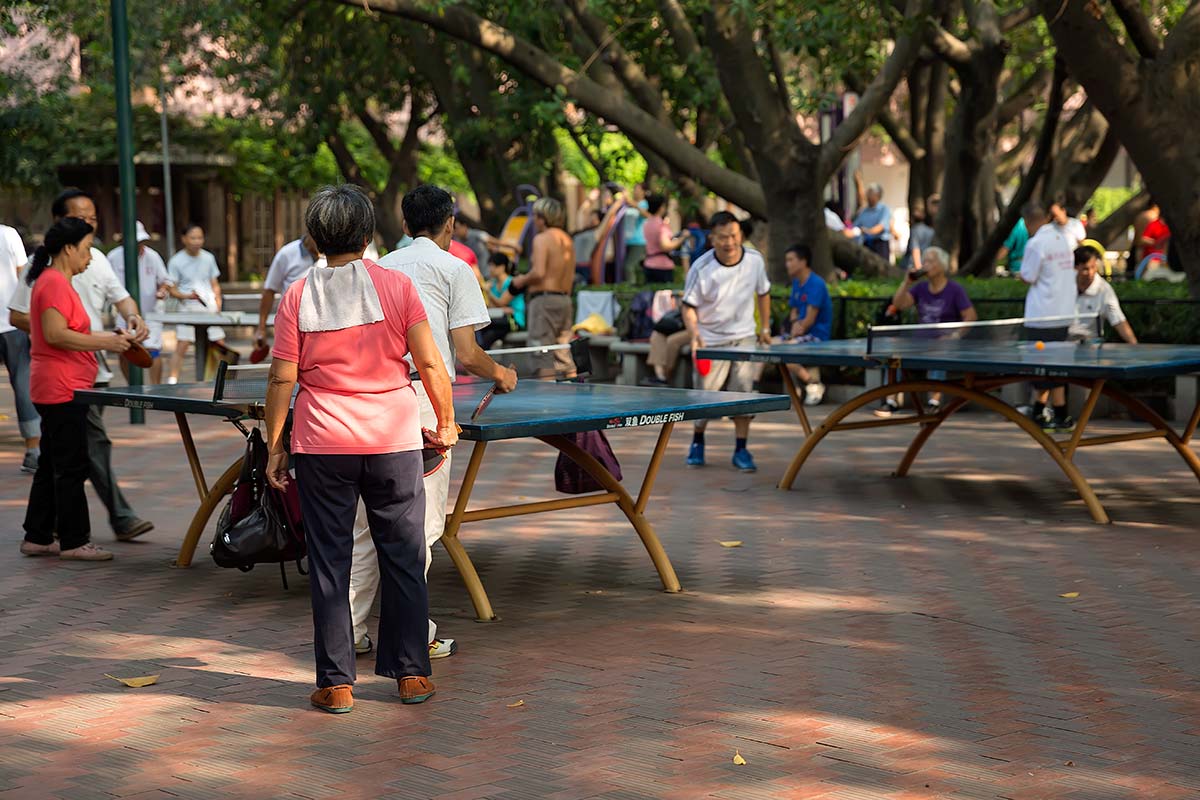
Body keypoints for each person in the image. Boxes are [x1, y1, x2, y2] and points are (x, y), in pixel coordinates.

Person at [264, 184, 458, 713]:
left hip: (323, 442)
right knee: (404, 553)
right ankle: (412, 674)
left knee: (331, 561)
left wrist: (274, 446)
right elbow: (432, 363)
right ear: (370, 234)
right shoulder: (396, 286)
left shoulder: (298, 295)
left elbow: (282, 379)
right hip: (393, 438)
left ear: (313, 239)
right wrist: (445, 421)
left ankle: (335, 683)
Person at [348, 184, 517, 662]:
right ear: (451, 225)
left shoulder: (375, 268)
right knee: (420, 527)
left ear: (403, 226)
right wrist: (501, 372)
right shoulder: (454, 269)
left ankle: (353, 631)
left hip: (371, 401)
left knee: (366, 525)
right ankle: (412, 635)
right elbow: (465, 354)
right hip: (424, 406)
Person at [9, 188, 155, 541]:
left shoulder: (88, 265)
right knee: (83, 453)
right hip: (64, 381)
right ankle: (106, 523)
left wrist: (132, 318)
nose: (90, 223)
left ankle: (40, 531)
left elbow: (121, 298)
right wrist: (99, 339)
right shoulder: (47, 275)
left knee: (57, 457)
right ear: (65, 233)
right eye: (82, 219)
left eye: (93, 217)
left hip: (88, 373)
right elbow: (41, 327)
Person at [682, 212, 771, 472]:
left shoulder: (755, 261)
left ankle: (741, 449)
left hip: (744, 339)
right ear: (712, 239)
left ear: (740, 235)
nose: (729, 242)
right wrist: (695, 334)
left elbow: (764, 293)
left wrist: (765, 327)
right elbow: (688, 306)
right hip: (710, 342)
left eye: (733, 235)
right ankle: (697, 442)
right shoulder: (701, 267)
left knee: (743, 396)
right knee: (705, 399)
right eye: (722, 237)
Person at [877, 246, 977, 414]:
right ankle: (891, 401)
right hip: (918, 343)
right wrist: (906, 283)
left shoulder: (955, 290)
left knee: (939, 353)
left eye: (930, 261)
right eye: (924, 261)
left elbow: (971, 317)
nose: (926, 265)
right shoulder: (920, 288)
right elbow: (899, 304)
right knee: (893, 356)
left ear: (942, 265)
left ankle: (934, 402)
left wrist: (954, 336)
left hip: (942, 344)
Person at [108, 221, 192, 384]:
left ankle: (155, 387)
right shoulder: (113, 257)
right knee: (124, 349)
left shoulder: (152, 256)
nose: (138, 246)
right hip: (123, 313)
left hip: (151, 312)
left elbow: (166, 281)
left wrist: (162, 290)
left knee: (153, 350)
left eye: (141, 242)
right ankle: (132, 386)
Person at [1019, 201, 1077, 432]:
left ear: (1028, 222)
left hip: (1042, 314)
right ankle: (1055, 413)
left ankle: (1041, 412)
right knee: (1057, 365)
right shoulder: (1063, 239)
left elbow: (1028, 275)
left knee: (1042, 366)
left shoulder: (1035, 244)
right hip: (1063, 313)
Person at [511, 197, 576, 379]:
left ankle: (547, 404)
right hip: (565, 300)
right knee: (563, 353)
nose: (533, 220)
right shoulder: (567, 240)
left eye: (535, 216)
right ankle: (575, 399)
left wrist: (521, 280)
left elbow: (539, 272)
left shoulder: (541, 239)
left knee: (543, 354)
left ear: (542, 217)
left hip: (544, 300)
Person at [0, 223, 40, 472]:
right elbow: (23, 276)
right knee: (22, 383)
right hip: (11, 321)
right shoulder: (8, 234)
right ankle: (33, 450)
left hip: (12, 322)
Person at [165, 223, 225, 384]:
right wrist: (185, 296)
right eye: (193, 237)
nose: (197, 241)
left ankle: (220, 379)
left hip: (209, 308)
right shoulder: (176, 261)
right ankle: (172, 379)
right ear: (184, 239)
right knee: (183, 344)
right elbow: (171, 288)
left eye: (200, 237)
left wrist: (218, 305)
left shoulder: (208, 258)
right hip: (188, 309)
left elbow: (215, 284)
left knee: (219, 344)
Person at [776, 244, 832, 407]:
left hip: (816, 335)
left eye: (791, 260)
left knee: (784, 352)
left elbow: (809, 319)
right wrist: (793, 325)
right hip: (799, 333)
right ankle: (755, 391)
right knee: (766, 345)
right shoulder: (796, 282)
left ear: (803, 262)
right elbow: (794, 310)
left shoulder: (816, 283)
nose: (787, 264)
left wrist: (795, 333)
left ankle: (814, 384)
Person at [254, 234, 324, 356]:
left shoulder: (332, 255)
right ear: (310, 231)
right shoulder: (286, 254)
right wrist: (261, 328)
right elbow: (269, 291)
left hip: (321, 330)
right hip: (290, 327)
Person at [1074, 247, 1136, 344]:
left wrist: (1135, 346)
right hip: (1061, 343)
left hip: (1090, 346)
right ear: (1075, 268)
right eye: (1085, 269)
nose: (1090, 273)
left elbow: (1119, 320)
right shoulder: (1063, 284)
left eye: (1093, 267)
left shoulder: (1104, 290)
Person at [479, 252, 525, 350]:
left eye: (493, 266)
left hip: (513, 320)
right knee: (487, 334)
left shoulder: (512, 283)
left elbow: (501, 302)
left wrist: (488, 291)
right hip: (498, 320)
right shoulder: (493, 284)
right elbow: (492, 307)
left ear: (502, 267)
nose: (490, 269)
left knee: (486, 330)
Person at [642, 194, 687, 284]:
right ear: (661, 207)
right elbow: (666, 246)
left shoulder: (647, 223)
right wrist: (683, 238)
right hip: (662, 266)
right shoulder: (661, 226)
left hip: (649, 264)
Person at [853, 183, 892, 261]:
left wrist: (867, 231)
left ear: (878, 196)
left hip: (880, 244)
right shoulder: (864, 211)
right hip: (867, 244)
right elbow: (855, 226)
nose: (868, 196)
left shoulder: (884, 209)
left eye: (871, 193)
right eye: (868, 193)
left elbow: (881, 227)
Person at [622, 182, 650, 283]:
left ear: (644, 192)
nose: (635, 191)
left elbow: (647, 215)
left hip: (638, 241)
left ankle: (631, 291)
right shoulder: (630, 205)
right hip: (627, 241)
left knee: (628, 266)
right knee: (635, 267)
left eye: (637, 189)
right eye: (634, 189)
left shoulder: (643, 204)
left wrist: (633, 204)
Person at [901, 196, 937, 272]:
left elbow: (915, 249)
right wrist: (919, 269)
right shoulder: (919, 229)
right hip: (921, 266)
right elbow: (915, 250)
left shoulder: (930, 228)